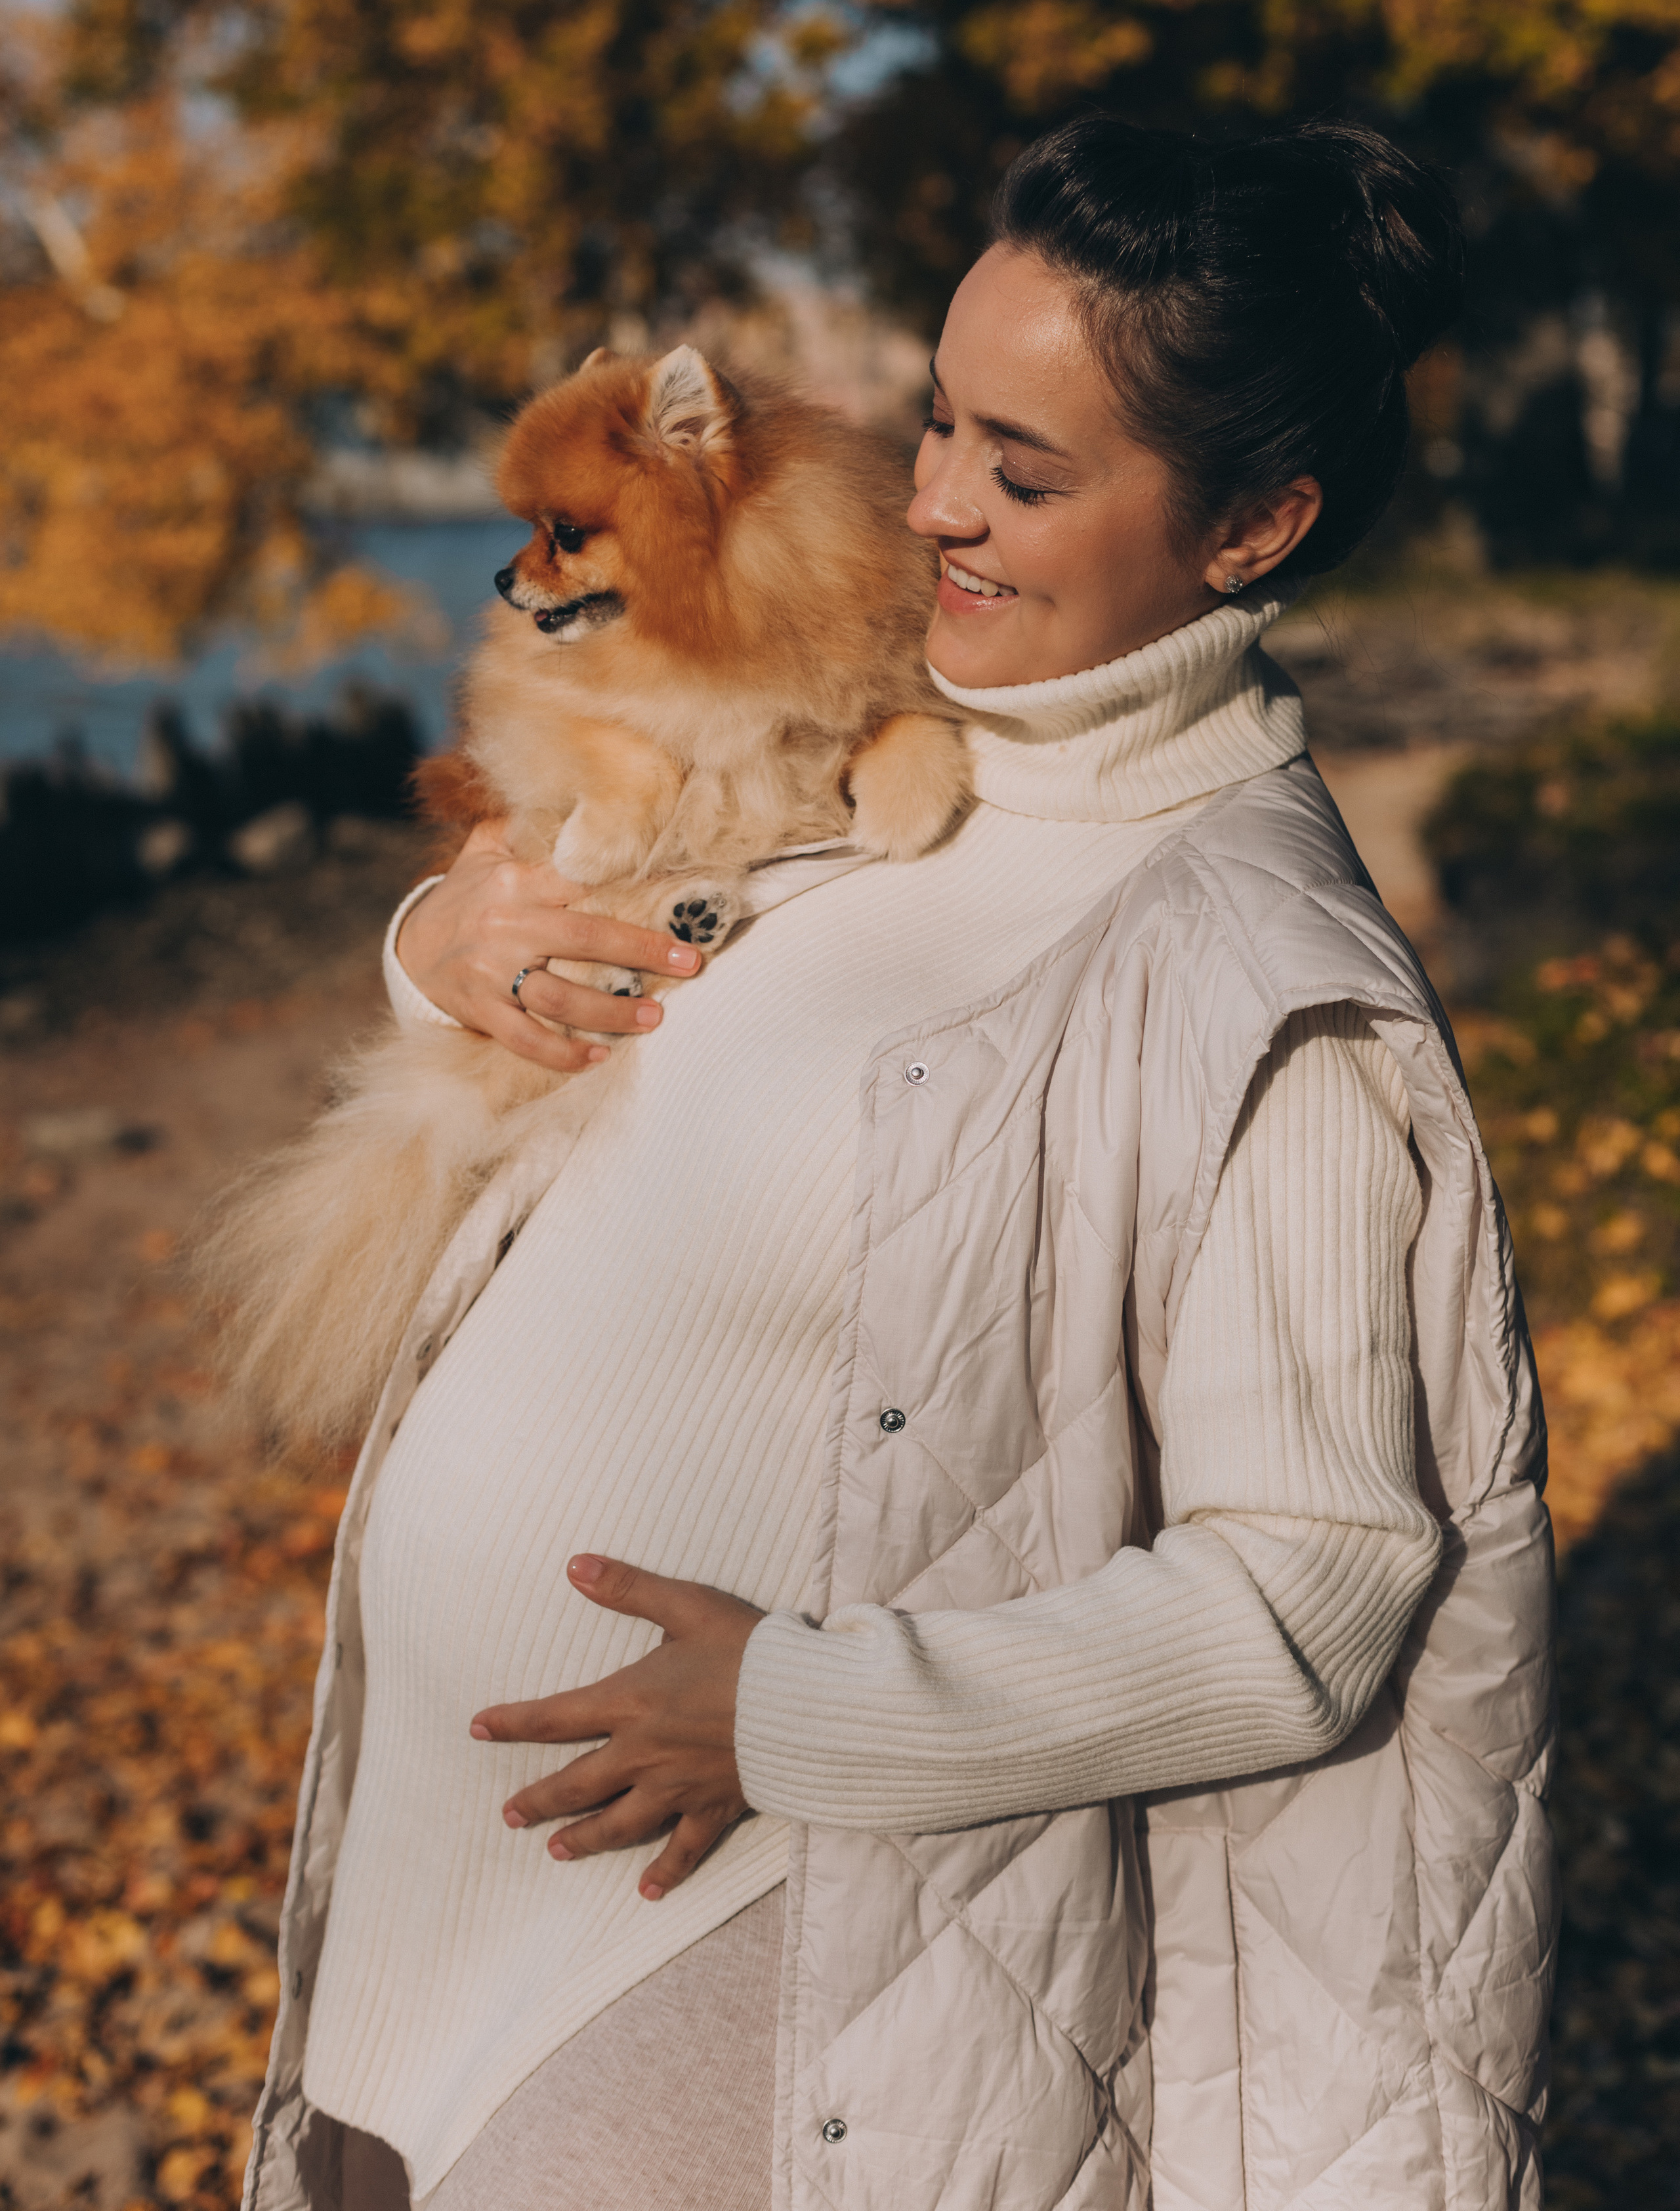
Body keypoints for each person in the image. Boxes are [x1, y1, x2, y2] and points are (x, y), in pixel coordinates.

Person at [245, 117, 1556, 2211]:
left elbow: (1322, 1583)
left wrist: (798, 1716)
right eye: (941, 420)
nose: (935, 499)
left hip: (748, 1917)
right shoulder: (880, 750)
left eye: (1026, 475)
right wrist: (446, 952)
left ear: (1253, 524)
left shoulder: (1250, 979)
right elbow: (647, 1017)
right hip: (437, 1881)